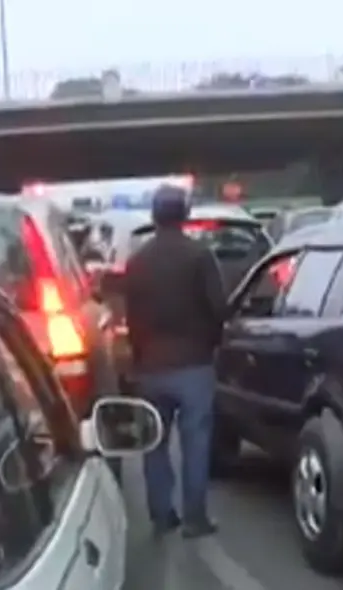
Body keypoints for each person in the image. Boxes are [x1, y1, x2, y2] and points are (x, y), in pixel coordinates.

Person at [124, 184, 227, 539]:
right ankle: (195, 518)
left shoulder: (136, 263)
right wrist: (212, 343)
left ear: (154, 217)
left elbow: (130, 319)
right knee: (196, 442)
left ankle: (161, 514)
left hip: (151, 366)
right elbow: (219, 308)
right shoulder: (199, 256)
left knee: (154, 443)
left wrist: (138, 360)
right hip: (194, 364)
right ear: (184, 215)